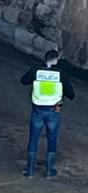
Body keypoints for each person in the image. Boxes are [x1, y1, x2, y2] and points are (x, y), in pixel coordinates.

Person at [20, 49, 76, 178]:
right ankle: (50, 171)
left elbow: (23, 81)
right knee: (52, 139)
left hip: (37, 110)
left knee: (33, 138)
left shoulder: (36, 71)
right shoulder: (61, 74)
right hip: (53, 111)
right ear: (56, 60)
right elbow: (71, 95)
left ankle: (29, 171)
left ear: (45, 59)